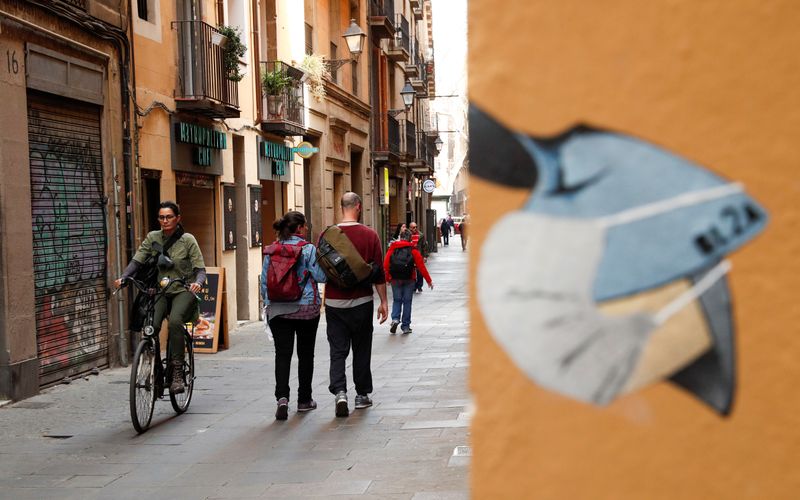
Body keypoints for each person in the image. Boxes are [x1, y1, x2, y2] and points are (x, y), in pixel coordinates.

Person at [114, 201, 205, 394]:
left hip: (183, 290)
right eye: (161, 217)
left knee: (174, 322)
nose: (165, 220)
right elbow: (137, 260)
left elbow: (200, 269)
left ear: (178, 218)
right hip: (161, 290)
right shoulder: (153, 237)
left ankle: (178, 373)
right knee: (151, 327)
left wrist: (198, 282)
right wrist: (124, 277)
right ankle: (155, 369)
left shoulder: (188, 240)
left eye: (169, 217)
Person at [322, 192, 388, 417]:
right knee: (361, 349)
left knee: (337, 350)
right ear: (358, 207)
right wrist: (384, 301)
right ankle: (361, 394)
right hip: (361, 302)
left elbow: (322, 270)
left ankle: (340, 391)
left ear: (341, 208)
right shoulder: (370, 235)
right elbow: (379, 272)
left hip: (334, 303)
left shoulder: (328, 234)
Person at [261, 211, 327, 420]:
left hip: (278, 310)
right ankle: (304, 400)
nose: (306, 229)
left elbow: (264, 281)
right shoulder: (307, 249)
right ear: (299, 228)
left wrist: (269, 305)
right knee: (305, 354)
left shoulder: (271, 250)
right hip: (306, 308)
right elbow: (320, 276)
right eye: (305, 226)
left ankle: (282, 398)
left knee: (282, 354)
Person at [384, 229, 433, 335]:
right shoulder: (413, 250)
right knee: (407, 302)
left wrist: (387, 278)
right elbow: (421, 266)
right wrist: (429, 281)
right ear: (410, 238)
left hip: (395, 279)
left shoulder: (392, 248)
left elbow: (386, 265)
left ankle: (395, 319)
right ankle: (405, 326)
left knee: (397, 300)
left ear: (400, 237)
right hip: (409, 279)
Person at [409, 222, 428, 292]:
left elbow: (424, 246)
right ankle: (414, 286)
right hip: (410, 257)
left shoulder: (421, 235)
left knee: (420, 272)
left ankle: (419, 286)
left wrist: (425, 256)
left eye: (416, 227)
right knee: (412, 272)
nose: (415, 228)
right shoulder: (408, 235)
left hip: (419, 256)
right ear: (410, 228)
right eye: (413, 227)